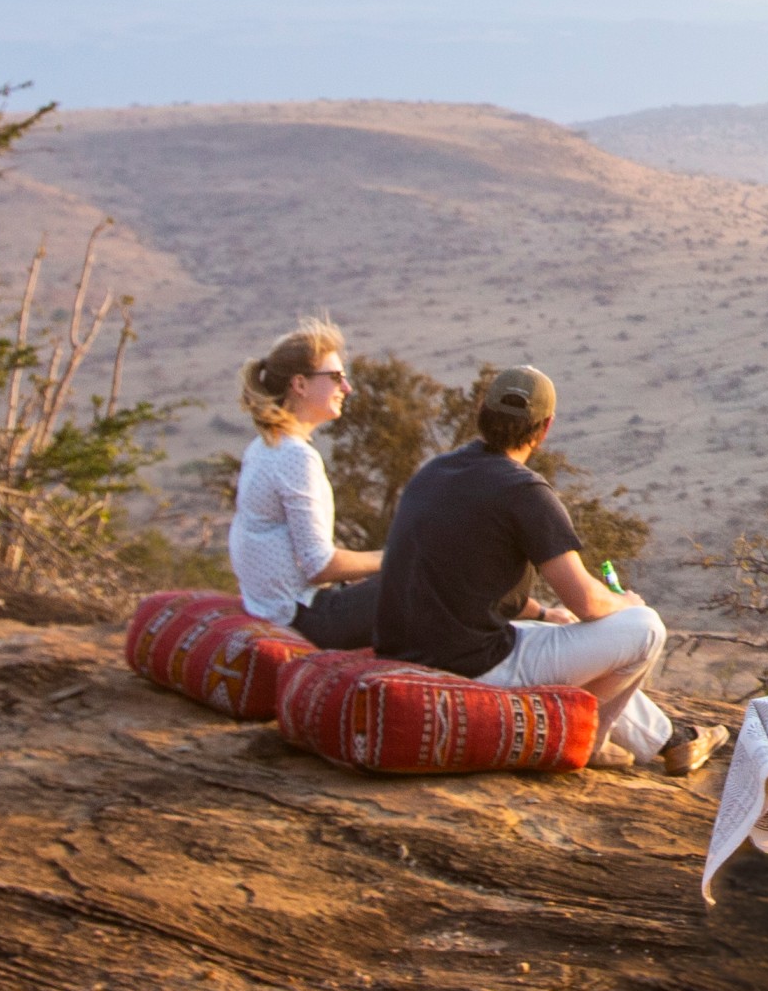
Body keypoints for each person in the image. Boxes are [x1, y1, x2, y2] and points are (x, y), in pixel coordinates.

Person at [372, 364, 721, 773]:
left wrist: (543, 613)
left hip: (408, 649)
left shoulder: (435, 472)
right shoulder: (523, 491)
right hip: (475, 666)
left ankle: (671, 741)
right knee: (645, 629)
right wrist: (624, 602)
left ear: (482, 414)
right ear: (545, 427)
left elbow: (463, 585)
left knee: (557, 630)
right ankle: (589, 740)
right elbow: (588, 602)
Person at [229, 323, 384, 647]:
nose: (347, 387)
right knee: (432, 572)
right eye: (336, 377)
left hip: (281, 606)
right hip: (308, 616)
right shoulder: (296, 457)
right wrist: (394, 557)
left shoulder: (263, 447)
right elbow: (319, 566)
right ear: (299, 384)